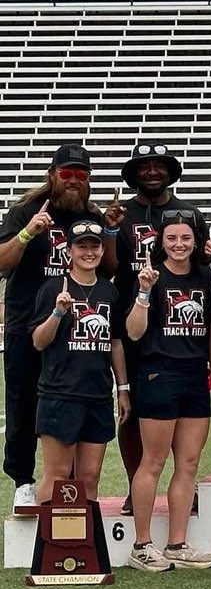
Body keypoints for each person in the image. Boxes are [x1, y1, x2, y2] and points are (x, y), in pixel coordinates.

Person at [0, 144, 112, 512]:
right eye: (67, 174)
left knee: (71, 404)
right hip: (26, 325)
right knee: (22, 403)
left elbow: (108, 268)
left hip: (78, 330)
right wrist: (28, 233)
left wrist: (109, 229)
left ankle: (74, 485)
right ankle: (23, 480)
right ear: (52, 175)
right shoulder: (25, 212)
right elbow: (2, 261)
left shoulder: (91, 215)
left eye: (82, 175)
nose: (74, 181)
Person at [110, 141, 209, 516]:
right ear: (134, 173)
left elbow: (202, 262)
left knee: (182, 411)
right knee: (132, 410)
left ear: (170, 171)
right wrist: (108, 228)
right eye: (144, 167)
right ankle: (138, 486)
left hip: (179, 330)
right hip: (133, 318)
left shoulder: (189, 213)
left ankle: (185, 487)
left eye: (158, 166)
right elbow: (108, 267)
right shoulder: (124, 214)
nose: (151, 172)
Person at [124, 213, 211, 571]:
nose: (179, 244)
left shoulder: (205, 277)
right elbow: (133, 332)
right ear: (161, 242)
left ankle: (177, 543)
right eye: (171, 238)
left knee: (189, 463)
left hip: (195, 376)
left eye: (185, 238)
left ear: (195, 240)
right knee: (153, 462)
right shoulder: (151, 277)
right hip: (158, 373)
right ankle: (142, 544)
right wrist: (145, 292)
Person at [31, 220, 130, 504]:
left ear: (102, 250)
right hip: (60, 394)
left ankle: (87, 545)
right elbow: (38, 341)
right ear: (69, 251)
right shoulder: (52, 289)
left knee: (89, 476)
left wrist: (123, 388)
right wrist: (58, 313)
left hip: (98, 395)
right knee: (58, 475)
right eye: (82, 246)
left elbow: (115, 342)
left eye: (94, 246)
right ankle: (46, 545)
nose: (89, 252)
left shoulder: (108, 292)